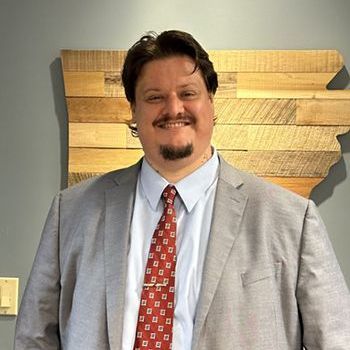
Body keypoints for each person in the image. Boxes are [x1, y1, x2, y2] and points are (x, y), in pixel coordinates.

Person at [15, 30, 350, 350]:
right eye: (154, 97)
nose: (173, 109)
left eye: (188, 93)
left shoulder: (291, 220)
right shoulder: (71, 211)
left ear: (211, 103)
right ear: (134, 109)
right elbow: (34, 338)